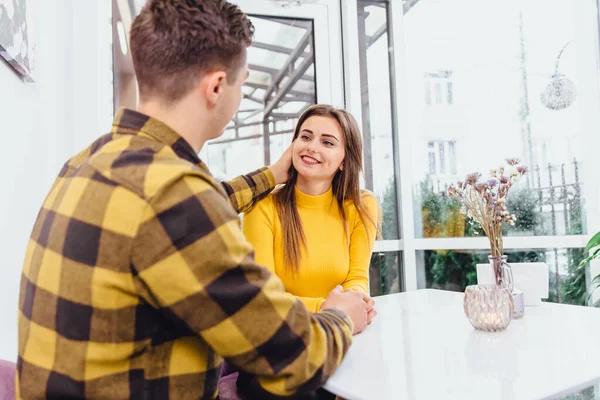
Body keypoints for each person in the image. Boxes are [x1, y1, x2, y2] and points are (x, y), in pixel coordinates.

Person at [15, 1, 371, 399]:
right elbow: (294, 355)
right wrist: (341, 315)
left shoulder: (88, 163)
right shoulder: (176, 196)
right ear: (217, 86)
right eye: (243, 81)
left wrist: (270, 176)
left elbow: (179, 211)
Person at [243, 105, 380, 314]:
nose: (312, 147)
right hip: (286, 333)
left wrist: (357, 298)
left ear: (344, 160)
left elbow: (357, 278)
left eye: (327, 142)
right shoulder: (262, 207)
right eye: (305, 137)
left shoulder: (362, 205)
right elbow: (263, 297)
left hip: (342, 328)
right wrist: (328, 308)